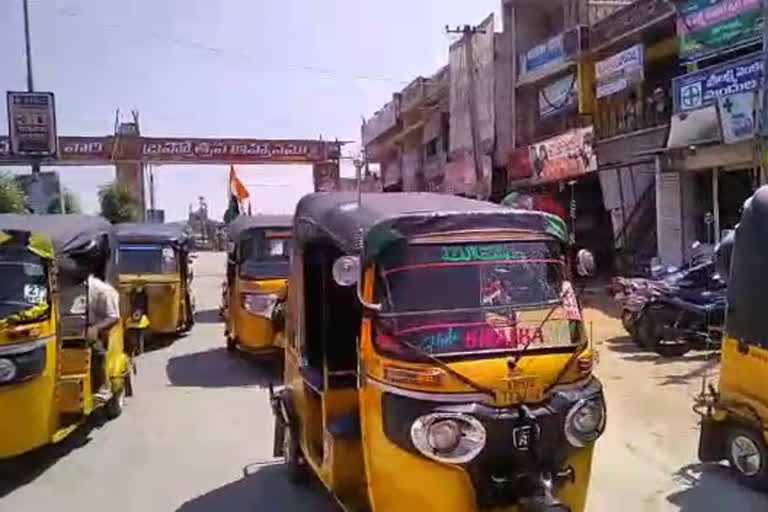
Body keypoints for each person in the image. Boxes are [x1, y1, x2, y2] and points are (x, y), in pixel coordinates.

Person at [86, 272, 121, 404]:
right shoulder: (64, 287)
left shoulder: (102, 290)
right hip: (72, 328)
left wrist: (96, 328)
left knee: (97, 351)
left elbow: (114, 317)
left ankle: (103, 386)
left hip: (99, 330)